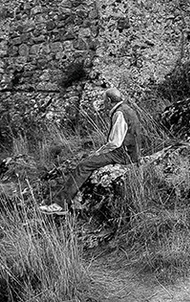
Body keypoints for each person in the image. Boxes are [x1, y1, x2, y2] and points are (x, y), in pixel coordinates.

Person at [40, 87, 142, 215]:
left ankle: (61, 204)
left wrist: (99, 152)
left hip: (121, 154)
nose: (103, 103)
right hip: (132, 153)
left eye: (104, 100)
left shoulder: (119, 113)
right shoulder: (127, 109)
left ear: (109, 100)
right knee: (88, 161)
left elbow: (115, 143)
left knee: (83, 165)